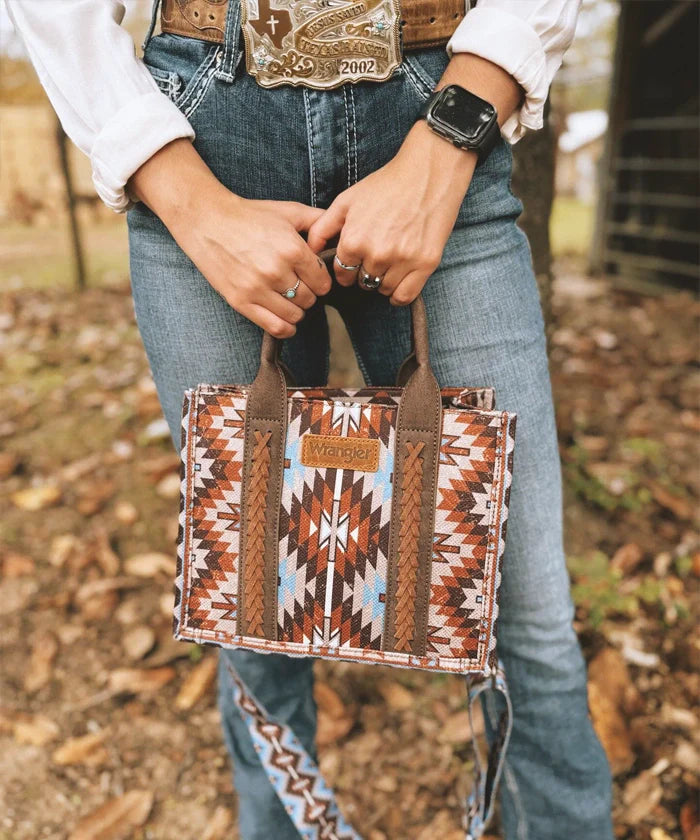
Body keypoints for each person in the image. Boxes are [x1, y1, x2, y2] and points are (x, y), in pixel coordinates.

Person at [5, 0, 614, 837]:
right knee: (254, 598)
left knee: (523, 604)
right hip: (202, 135)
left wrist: (451, 138)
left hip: (437, 107)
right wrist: (191, 204)